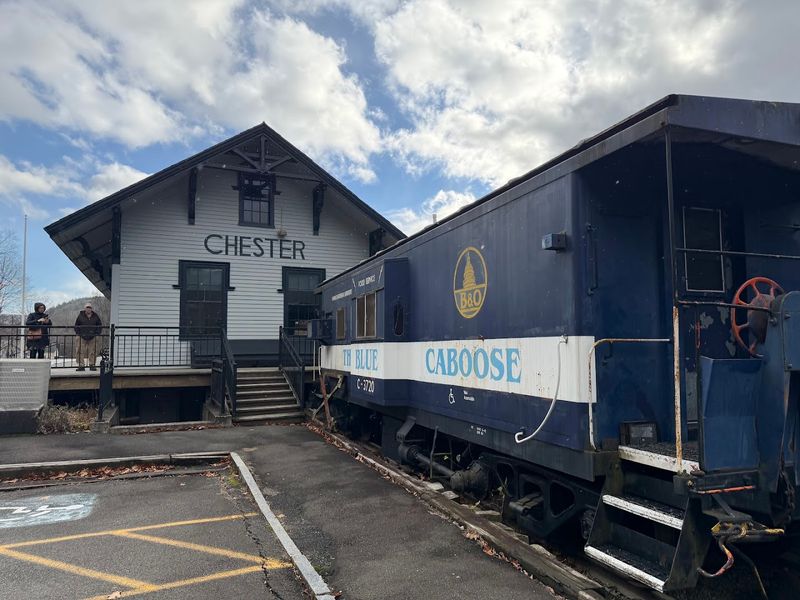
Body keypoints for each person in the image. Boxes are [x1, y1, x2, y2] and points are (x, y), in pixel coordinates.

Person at [74, 302, 102, 371]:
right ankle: (81, 365)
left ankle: (92, 365)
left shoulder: (95, 316)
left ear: (91, 309)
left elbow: (99, 325)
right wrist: (78, 333)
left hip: (92, 337)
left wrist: (97, 333)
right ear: (85, 309)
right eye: (87, 307)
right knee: (79, 351)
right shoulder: (80, 315)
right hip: (82, 336)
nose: (88, 309)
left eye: (90, 307)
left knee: (92, 351)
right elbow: (76, 325)